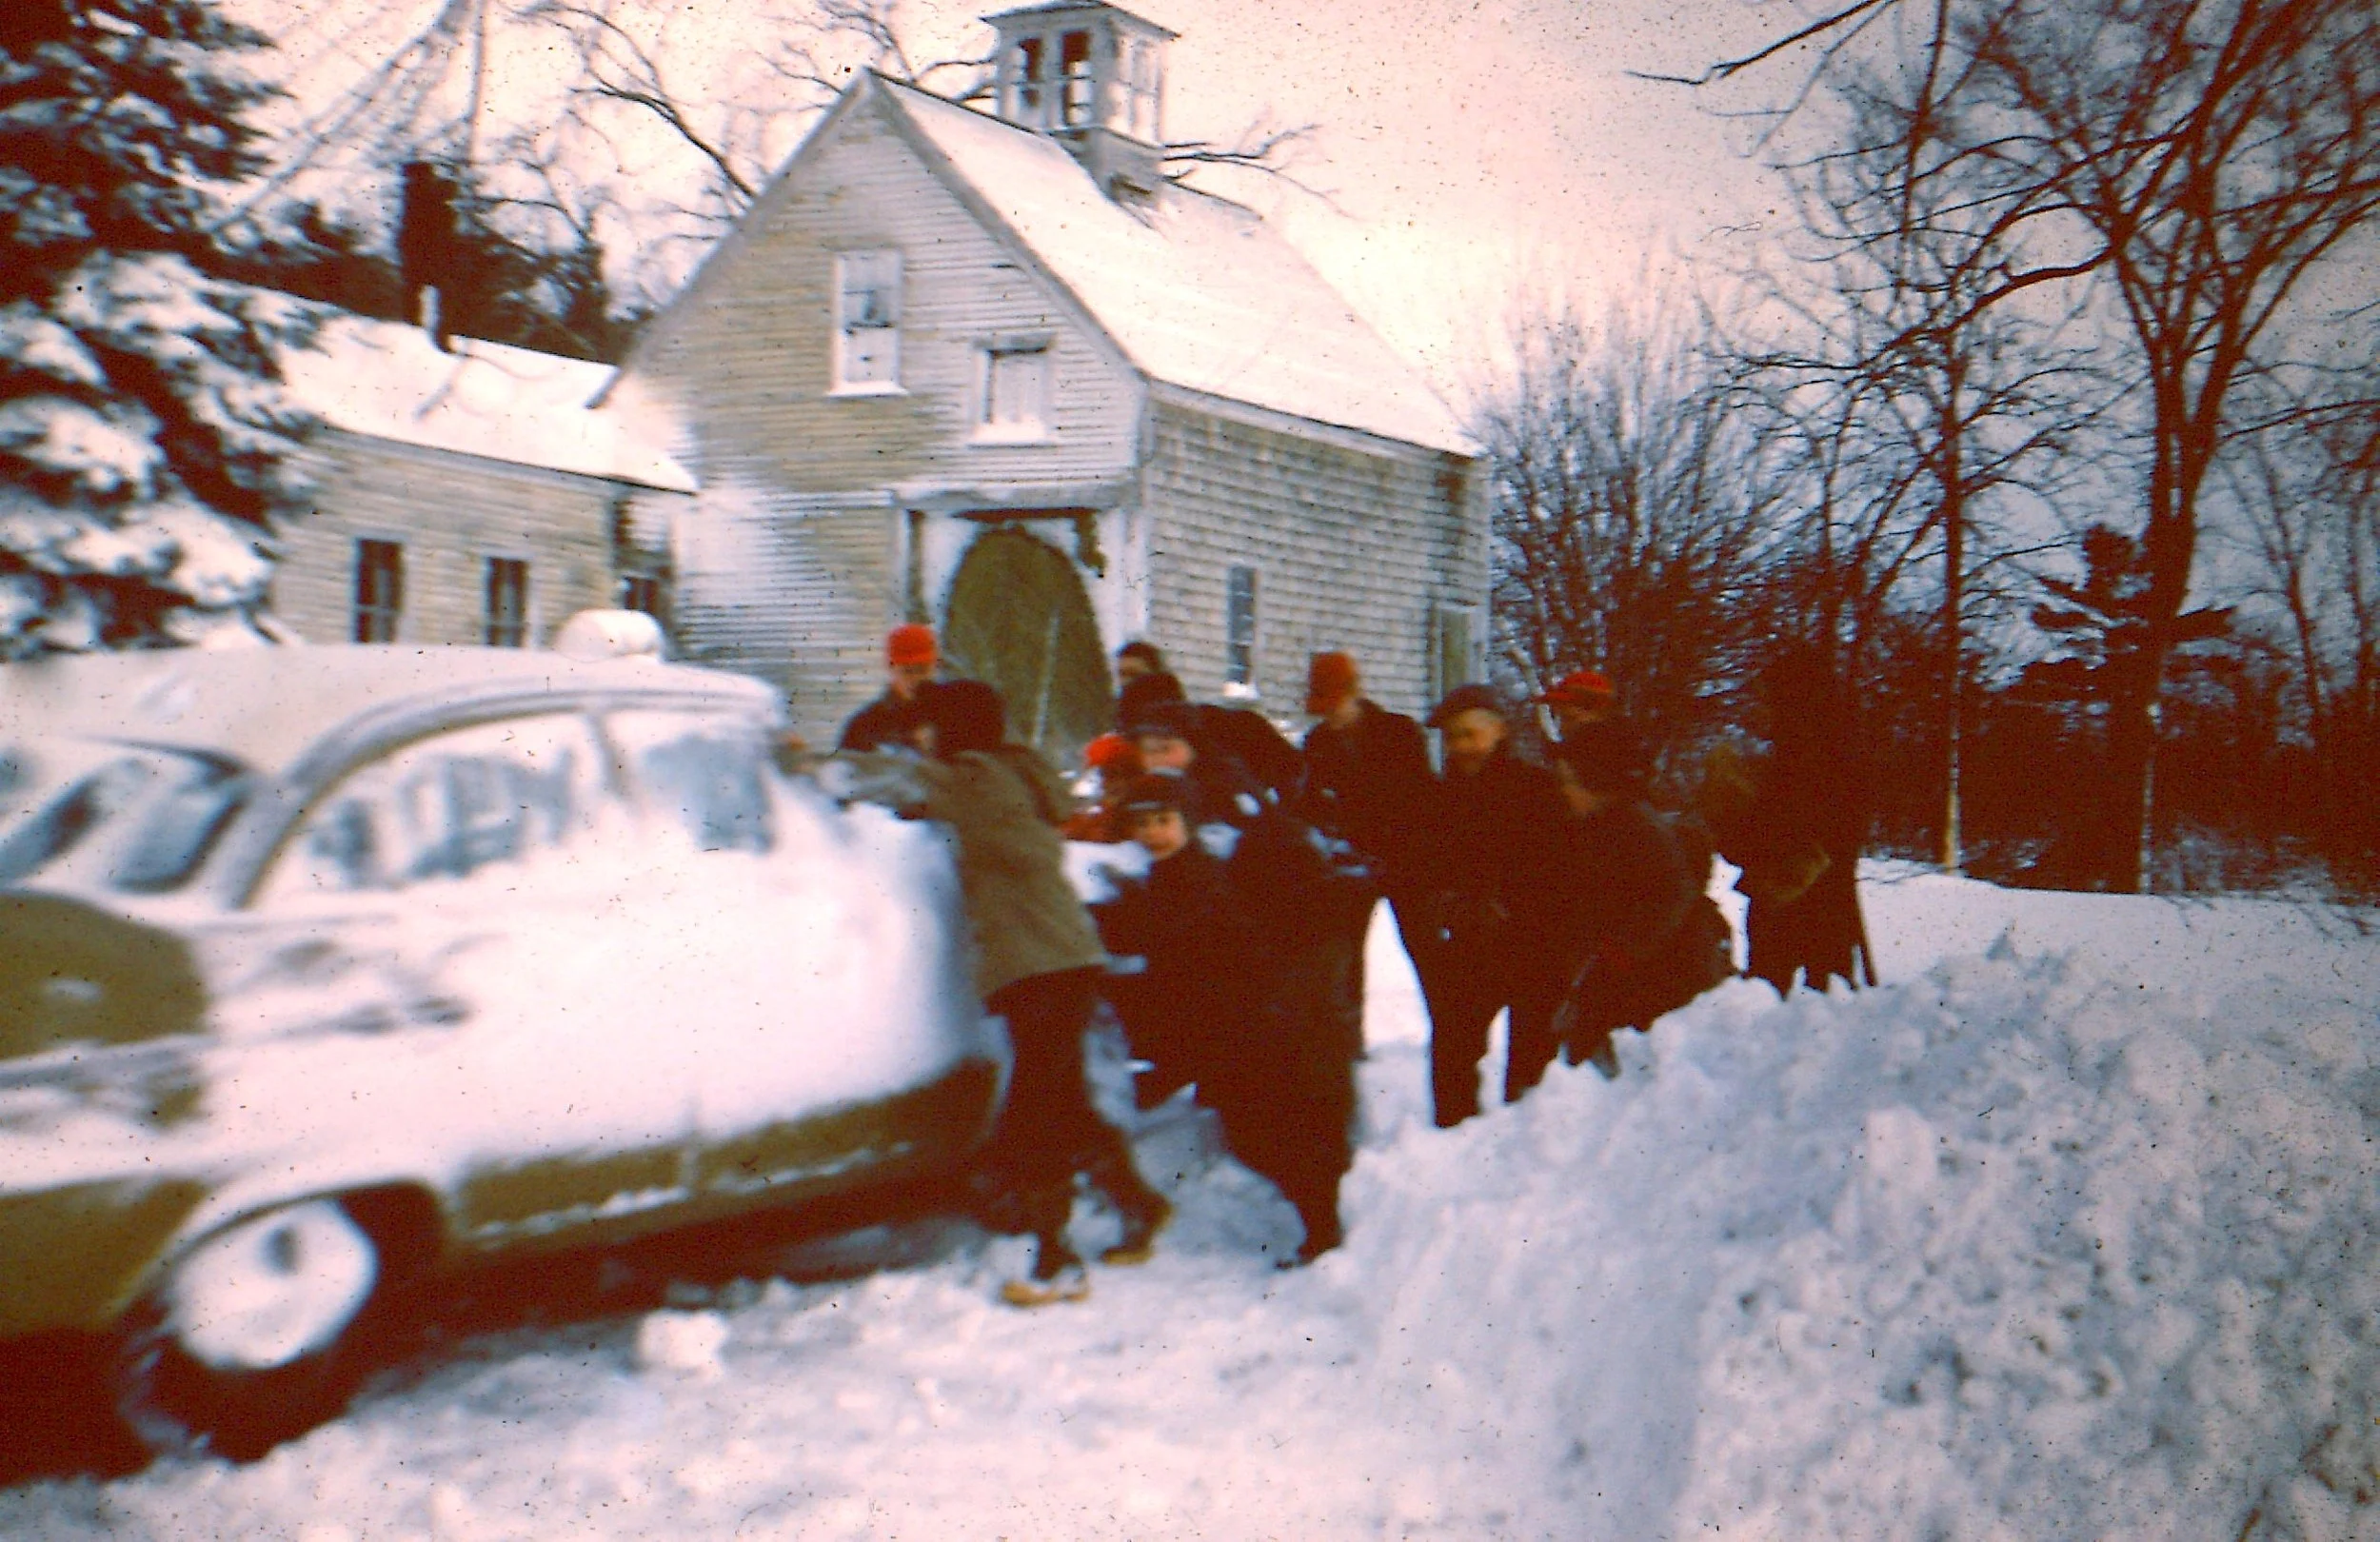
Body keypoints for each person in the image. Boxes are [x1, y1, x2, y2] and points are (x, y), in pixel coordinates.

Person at [881, 680, 1173, 1305]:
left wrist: (804, 765)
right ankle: (1136, 1204)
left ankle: (1056, 1259)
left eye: (928, 725)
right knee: (1060, 1099)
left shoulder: (974, 778)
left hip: (1038, 966)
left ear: (955, 729)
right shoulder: (1011, 772)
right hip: (1060, 958)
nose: (919, 738)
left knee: (1039, 1110)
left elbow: (896, 782)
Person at [1120, 702, 1369, 1264]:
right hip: (1237, 1022)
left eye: (1163, 822)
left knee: (1274, 1131)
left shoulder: (1216, 847)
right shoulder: (1178, 862)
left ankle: (1324, 1228)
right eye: (1144, 824)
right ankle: (1322, 1220)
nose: (1153, 834)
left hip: (1262, 1016)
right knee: (1258, 1132)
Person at [1415, 683, 1570, 1125]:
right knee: (1453, 1047)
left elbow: (1559, 869)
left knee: (1531, 1061)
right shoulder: (1442, 797)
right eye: (1451, 737)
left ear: (1499, 730)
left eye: (1469, 734)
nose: (1460, 746)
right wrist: (1445, 902)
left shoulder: (1537, 789)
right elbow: (1428, 867)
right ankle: (1452, 1136)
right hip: (1470, 943)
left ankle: (1528, 1142)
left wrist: (1512, 905)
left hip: (1533, 943)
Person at [1545, 730, 1734, 1078]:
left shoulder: (1635, 827)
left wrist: (1621, 950)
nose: (1563, 790)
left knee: (1627, 1073)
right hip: (1619, 970)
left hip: (1657, 974)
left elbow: (1672, 896)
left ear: (1597, 783)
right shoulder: (1596, 826)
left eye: (1570, 781)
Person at [1702, 646, 1875, 995]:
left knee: (1774, 999)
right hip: (1825, 904)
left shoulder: (1801, 756)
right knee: (1827, 1000)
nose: (1766, 706)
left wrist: (1729, 810)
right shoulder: (1838, 750)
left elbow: (1773, 833)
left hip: (1788, 898)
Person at [1297, 649, 1434, 1023]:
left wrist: (1407, 852)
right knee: (1343, 953)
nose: (1331, 717)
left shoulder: (1399, 733)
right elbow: (1312, 805)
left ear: (1355, 692)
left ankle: (1449, 1030)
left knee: (1424, 949)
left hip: (1404, 860)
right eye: (1323, 709)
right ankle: (1347, 1032)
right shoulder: (1318, 742)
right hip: (1353, 861)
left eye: (1335, 705)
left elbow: (1422, 800)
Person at [838, 624, 942, 753]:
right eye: (907, 671)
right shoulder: (864, 726)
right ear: (890, 667)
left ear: (936, 666)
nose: (916, 678)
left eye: (922, 670)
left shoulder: (953, 718)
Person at [1060, 732, 1141, 841]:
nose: (1105, 784)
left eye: (1113, 774)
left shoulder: (1141, 819)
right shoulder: (1102, 815)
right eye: (1104, 774)